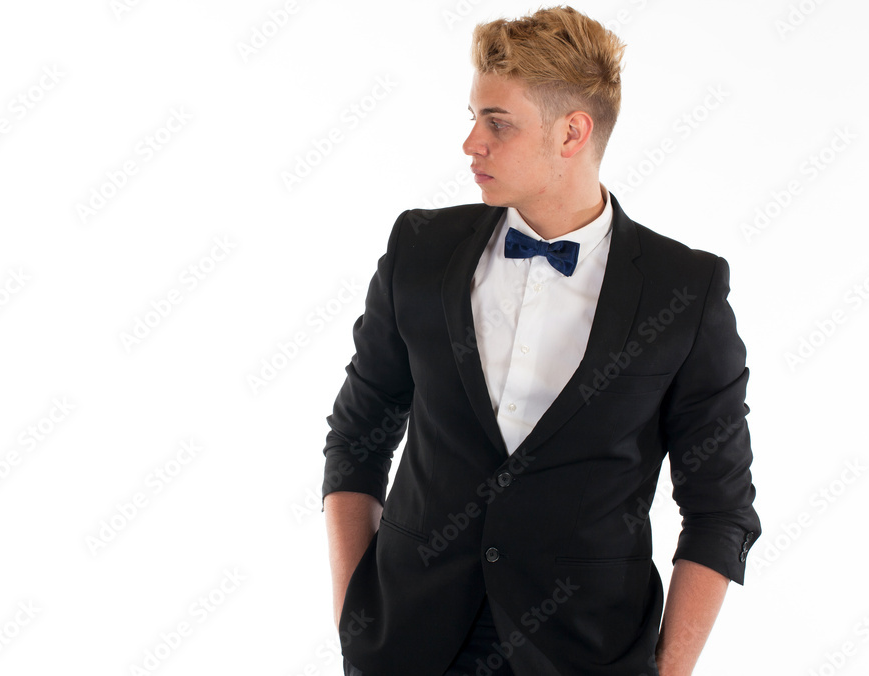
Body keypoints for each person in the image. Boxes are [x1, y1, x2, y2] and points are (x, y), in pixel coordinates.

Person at [321, 6, 760, 675]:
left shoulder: (684, 291)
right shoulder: (420, 247)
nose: (471, 142)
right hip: (407, 648)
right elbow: (358, 436)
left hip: (584, 654)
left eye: (497, 122)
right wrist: (354, 620)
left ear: (572, 133)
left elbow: (719, 508)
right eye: (473, 117)